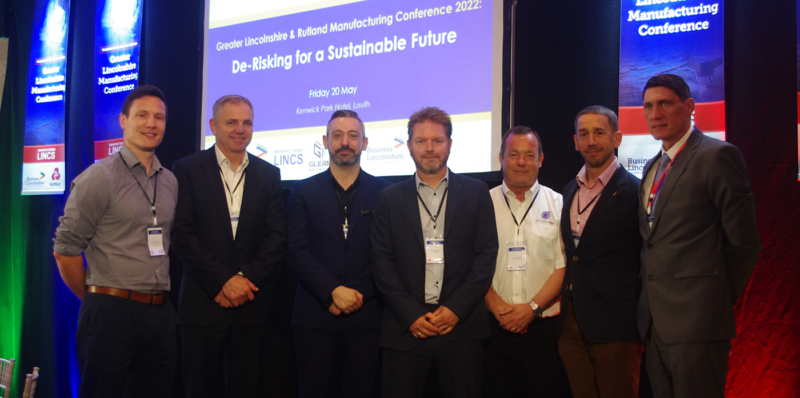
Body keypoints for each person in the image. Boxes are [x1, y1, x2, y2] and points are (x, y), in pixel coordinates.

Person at [637, 74, 760, 398]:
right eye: (648, 105)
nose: (655, 113)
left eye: (664, 103)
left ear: (690, 106)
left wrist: (712, 299)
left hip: (698, 323)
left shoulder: (717, 156)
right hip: (655, 323)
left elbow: (744, 244)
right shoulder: (652, 167)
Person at [53, 85, 177, 397]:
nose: (151, 124)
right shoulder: (100, 177)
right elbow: (65, 250)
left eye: (159, 117)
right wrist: (98, 298)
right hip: (110, 313)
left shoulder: (170, 181)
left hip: (160, 313)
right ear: (123, 120)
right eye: (142, 115)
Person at [371, 107, 498, 398]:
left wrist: (455, 310)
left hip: (461, 330)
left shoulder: (476, 192)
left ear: (450, 144)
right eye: (421, 141)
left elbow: (486, 256)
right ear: (409, 147)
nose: (429, 149)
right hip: (406, 330)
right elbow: (381, 264)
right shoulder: (388, 199)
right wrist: (411, 314)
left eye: (437, 141)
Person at [171, 94, 287, 397]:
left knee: (247, 388)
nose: (240, 129)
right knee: (198, 388)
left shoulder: (269, 175)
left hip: (251, 306)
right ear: (213, 125)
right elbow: (182, 234)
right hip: (202, 304)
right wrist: (223, 281)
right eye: (232, 122)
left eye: (247, 122)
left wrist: (243, 281)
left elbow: (276, 238)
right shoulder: (187, 169)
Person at [286, 110, 391, 398]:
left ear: (365, 143)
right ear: (325, 141)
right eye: (337, 135)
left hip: (367, 315)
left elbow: (388, 255)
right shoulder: (303, 191)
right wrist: (332, 290)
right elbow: (295, 251)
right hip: (314, 316)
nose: (345, 142)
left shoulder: (386, 194)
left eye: (353, 136)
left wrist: (355, 293)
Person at [557, 106, 643, 398]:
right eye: (584, 134)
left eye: (599, 132)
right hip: (570, 321)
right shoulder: (569, 189)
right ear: (575, 141)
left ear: (617, 138)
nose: (591, 140)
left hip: (615, 322)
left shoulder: (634, 192)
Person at [483, 126, 565, 397]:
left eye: (529, 155)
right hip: (492, 329)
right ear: (500, 158)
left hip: (542, 331)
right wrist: (496, 307)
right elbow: (471, 263)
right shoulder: (481, 204)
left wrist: (531, 309)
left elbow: (563, 266)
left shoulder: (559, 204)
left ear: (541, 159)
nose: (521, 161)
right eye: (514, 154)